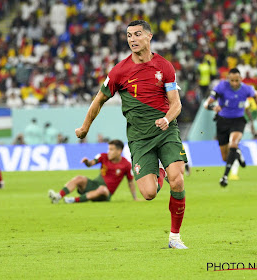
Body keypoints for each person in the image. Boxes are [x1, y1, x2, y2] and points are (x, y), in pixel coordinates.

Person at [74, 20, 188, 249]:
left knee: (177, 179)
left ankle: (175, 237)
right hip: (139, 138)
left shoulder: (164, 66)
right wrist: (85, 127)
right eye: (128, 35)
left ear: (149, 36)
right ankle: (160, 170)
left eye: (137, 34)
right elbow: (99, 100)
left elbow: (176, 104)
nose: (132, 39)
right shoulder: (119, 71)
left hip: (165, 131)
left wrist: (166, 119)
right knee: (148, 193)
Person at [203, 68, 257, 187]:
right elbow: (207, 104)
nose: (235, 83)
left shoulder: (246, 89)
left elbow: (256, 96)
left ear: (241, 79)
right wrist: (213, 107)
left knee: (233, 143)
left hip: (238, 120)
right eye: (232, 80)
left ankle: (225, 176)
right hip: (222, 121)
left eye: (237, 80)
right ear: (228, 79)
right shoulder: (221, 87)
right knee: (225, 157)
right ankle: (238, 153)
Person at [48, 140, 141, 203]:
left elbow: (130, 182)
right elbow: (91, 163)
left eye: (111, 149)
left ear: (119, 151)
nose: (109, 152)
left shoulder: (126, 164)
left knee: (102, 189)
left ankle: (72, 200)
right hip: (94, 185)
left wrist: (135, 198)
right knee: (79, 178)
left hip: (105, 192)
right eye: (109, 149)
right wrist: (86, 162)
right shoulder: (103, 156)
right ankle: (58, 197)